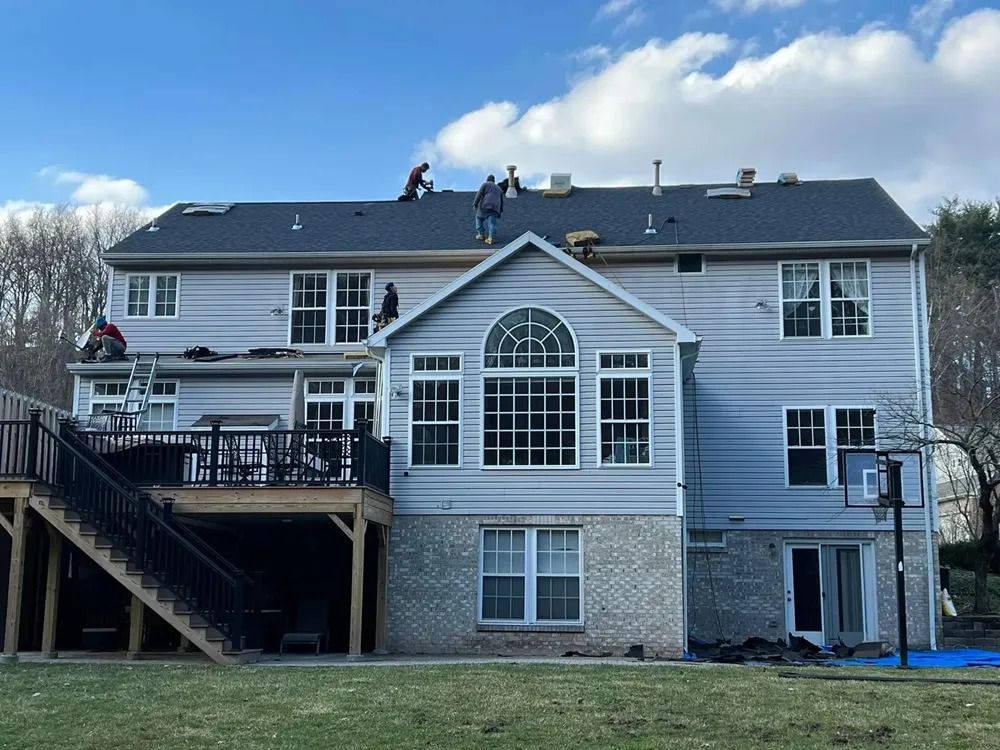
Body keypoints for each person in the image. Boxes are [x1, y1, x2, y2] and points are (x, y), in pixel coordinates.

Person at [473, 174, 504, 244]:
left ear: (487, 180)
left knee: (478, 218)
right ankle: (491, 238)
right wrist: (500, 212)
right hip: (495, 208)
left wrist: (475, 204)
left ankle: (481, 234)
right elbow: (502, 201)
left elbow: (479, 194)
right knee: (492, 223)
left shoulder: (485, 184)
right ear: (494, 181)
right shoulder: (499, 189)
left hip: (485, 205)